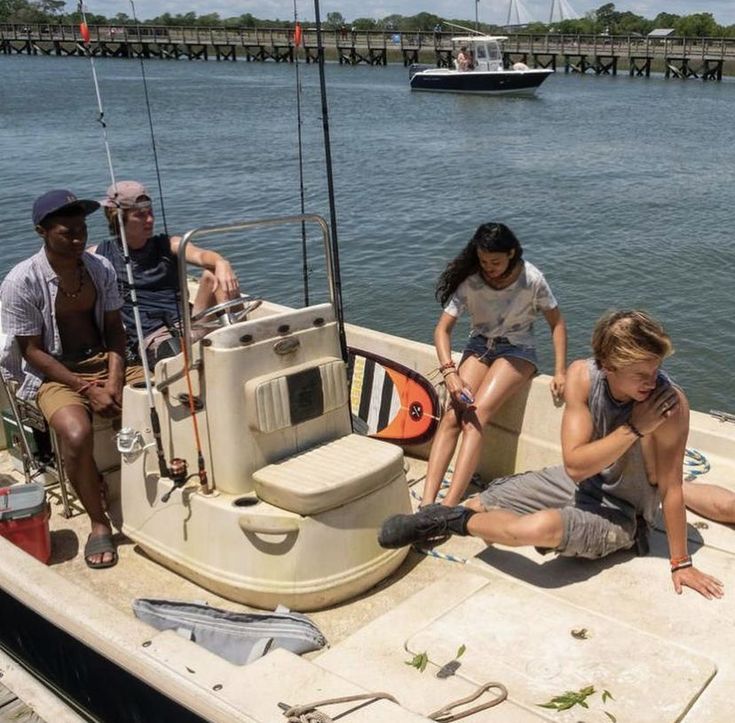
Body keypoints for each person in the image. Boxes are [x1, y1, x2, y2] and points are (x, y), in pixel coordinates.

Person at [380, 310, 725, 600]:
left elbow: (671, 488)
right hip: (580, 481)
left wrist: (681, 562)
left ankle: (444, 520)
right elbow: (574, 466)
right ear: (607, 366)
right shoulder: (583, 377)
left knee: (536, 528)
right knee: (481, 505)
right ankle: (458, 515)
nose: (653, 381)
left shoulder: (668, 404)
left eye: (655, 370)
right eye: (641, 375)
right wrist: (633, 428)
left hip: (622, 512)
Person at [0, 190, 144, 569]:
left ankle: (155, 492)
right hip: (54, 373)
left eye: (82, 229)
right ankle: (99, 524)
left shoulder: (101, 269)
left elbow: (116, 330)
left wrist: (112, 382)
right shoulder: (21, 281)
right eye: (68, 232)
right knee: (76, 433)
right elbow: (32, 351)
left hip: (104, 361)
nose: (79, 238)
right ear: (42, 232)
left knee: (169, 397)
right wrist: (86, 389)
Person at [421, 222, 566, 508]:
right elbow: (442, 330)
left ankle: (449, 507)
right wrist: (449, 372)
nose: (489, 268)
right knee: (453, 414)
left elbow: (557, 323)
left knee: (475, 415)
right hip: (479, 345)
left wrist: (560, 370)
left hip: (518, 350)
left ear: (512, 253)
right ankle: (427, 504)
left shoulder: (532, 278)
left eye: (496, 262)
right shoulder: (471, 280)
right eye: (484, 261)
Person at [93, 181, 241, 366]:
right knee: (177, 353)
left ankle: (239, 335)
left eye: (151, 213)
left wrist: (221, 262)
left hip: (189, 325)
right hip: (155, 339)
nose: (150, 220)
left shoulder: (169, 244)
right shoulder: (101, 255)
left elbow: (201, 255)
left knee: (212, 274)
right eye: (140, 215)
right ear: (117, 218)